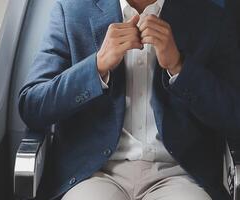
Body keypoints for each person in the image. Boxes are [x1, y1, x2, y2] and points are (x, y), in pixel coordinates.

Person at [18, 0, 240, 199]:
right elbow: (33, 106)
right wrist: (97, 66)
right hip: (93, 175)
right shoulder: (71, 10)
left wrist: (179, 66)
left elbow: (233, 115)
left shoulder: (213, 14)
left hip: (181, 175)